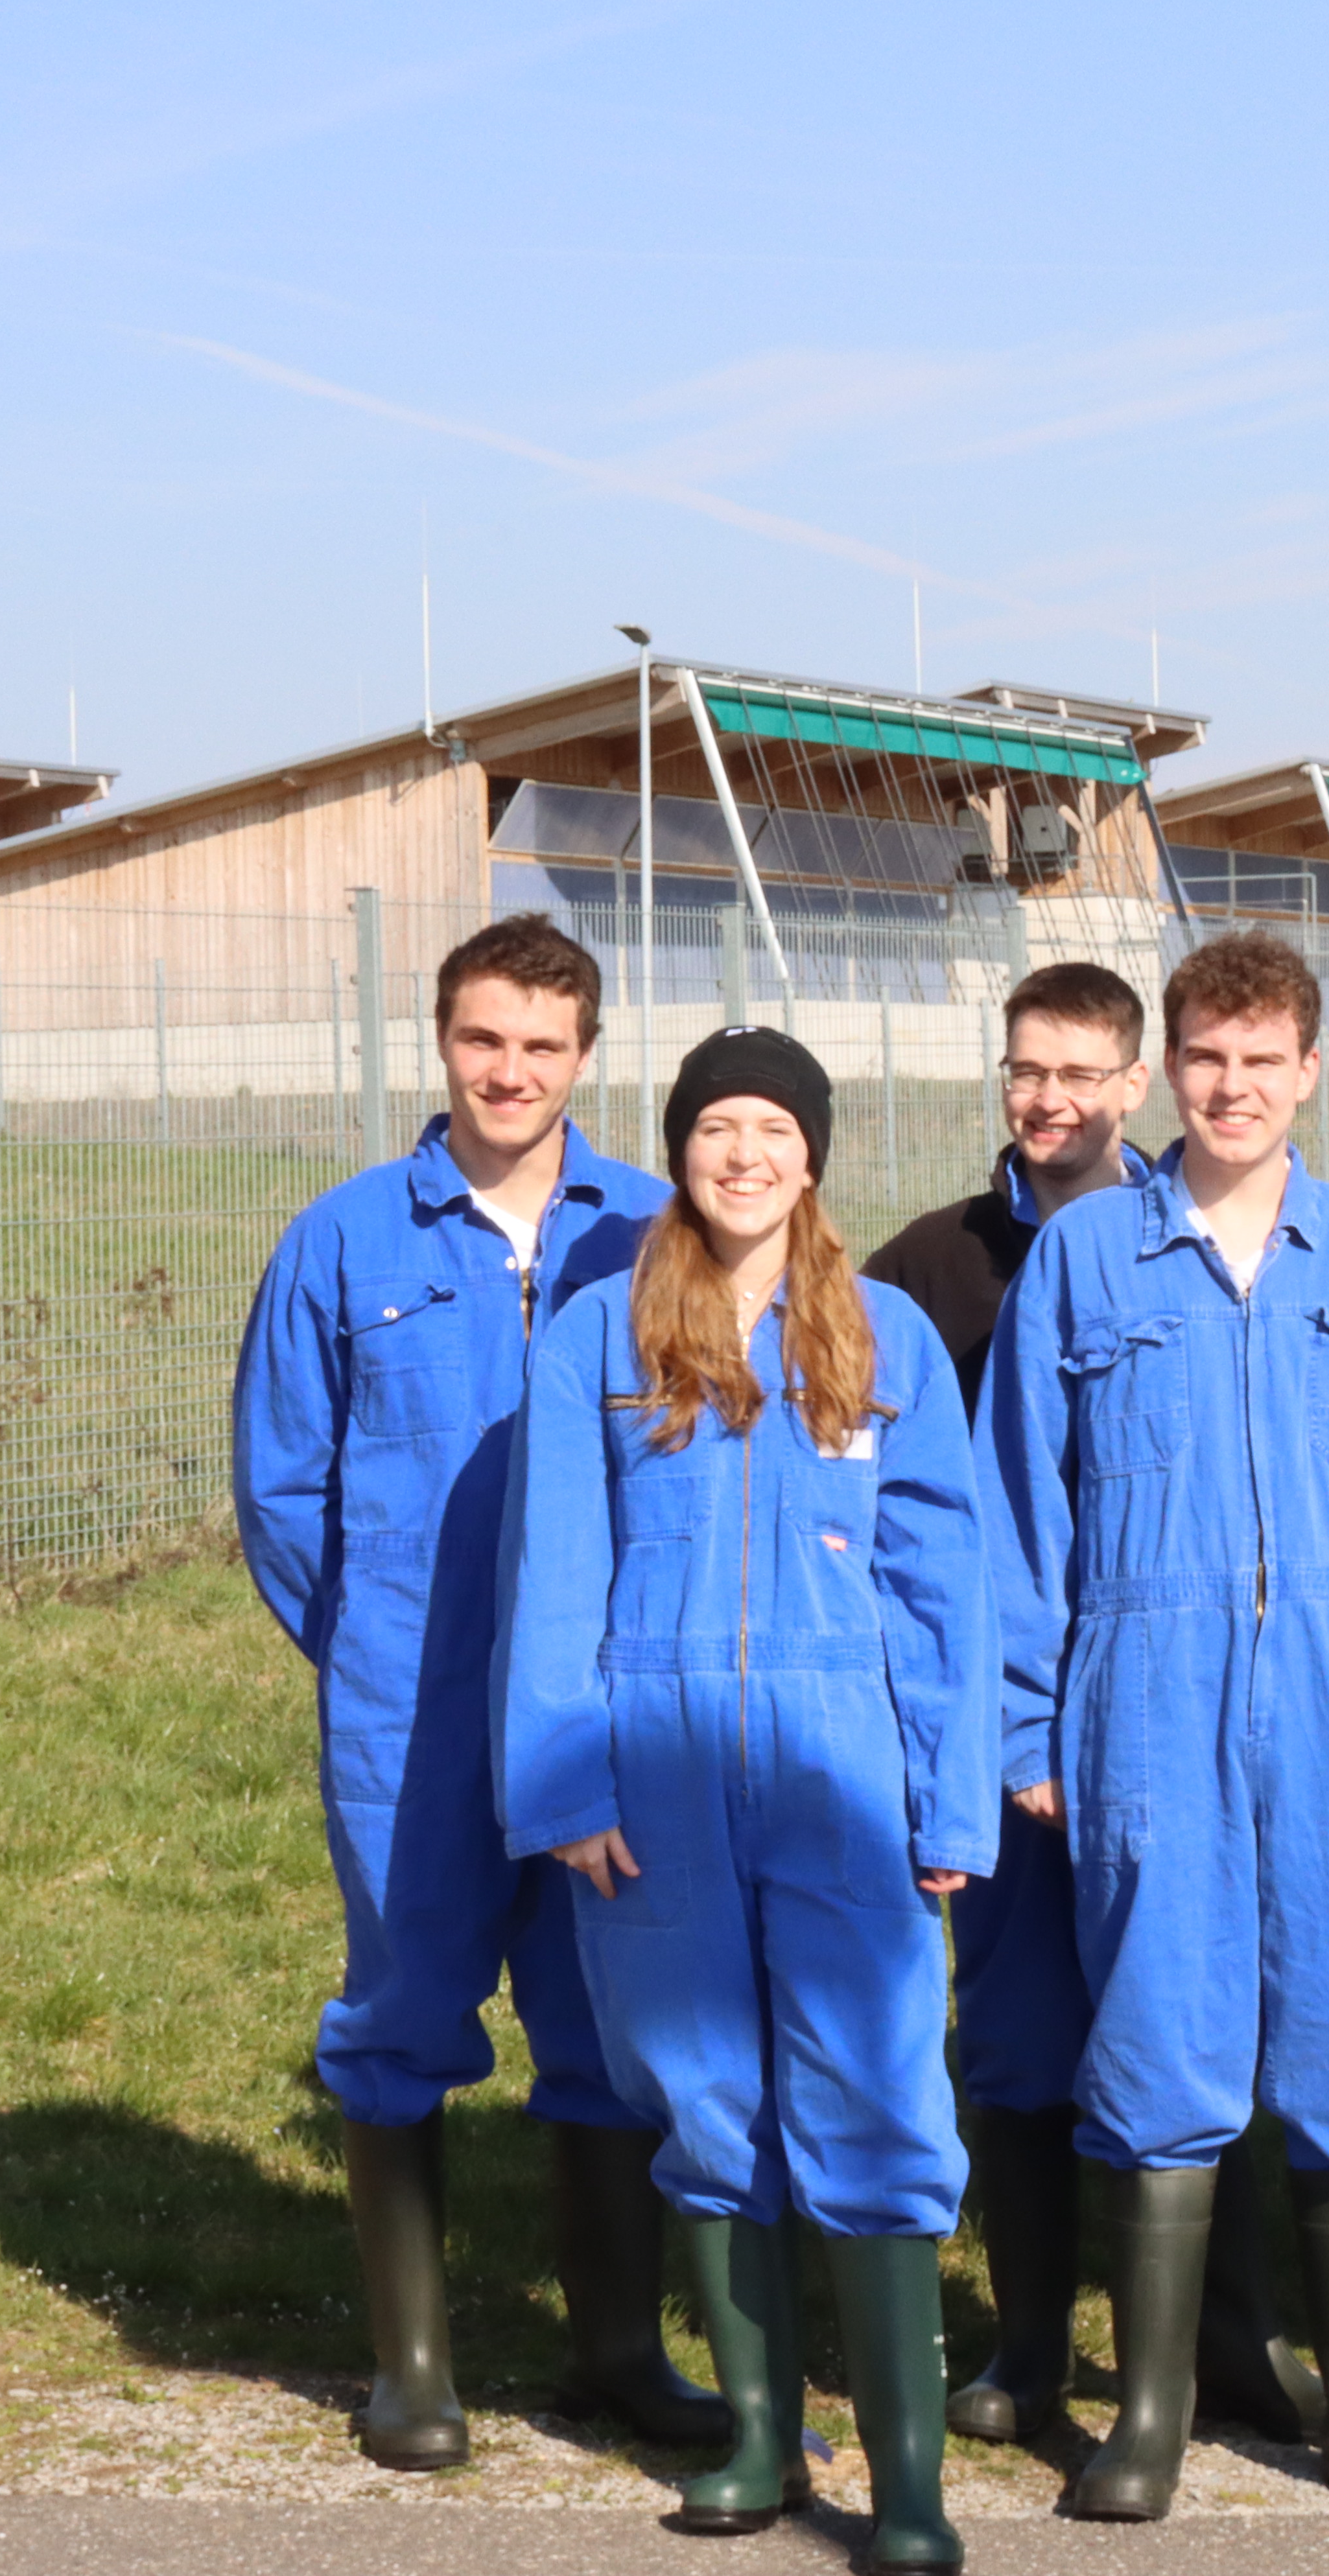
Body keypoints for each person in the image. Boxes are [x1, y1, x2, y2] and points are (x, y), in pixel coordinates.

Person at [978, 931, 1329, 2522]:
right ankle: (1146, 2418)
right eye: (1206, 1055)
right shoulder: (1084, 1260)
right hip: (1146, 1701)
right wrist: (1027, 1725)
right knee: (1157, 2032)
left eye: (1262, 1059)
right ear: (1168, 1069)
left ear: (1310, 1073)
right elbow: (1022, 1514)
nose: (1233, 1086)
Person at [229, 915, 724, 2472]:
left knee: (608, 2015)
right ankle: (415, 2369)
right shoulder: (345, 1240)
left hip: (602, 1709)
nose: (509, 1072)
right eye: (481, 1040)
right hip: (414, 1711)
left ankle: (619, 2352)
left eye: (542, 1046)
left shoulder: (657, 1235)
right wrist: (391, 1645)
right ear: (441, 1043)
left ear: (588, 1058)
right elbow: (280, 1487)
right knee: (402, 2006)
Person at [500, 1030, 993, 2555]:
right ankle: (760, 2443)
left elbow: (944, 1581)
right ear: (681, 1148)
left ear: (813, 1154)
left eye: (773, 1126)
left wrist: (950, 1798)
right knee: (705, 2092)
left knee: (875, 2086)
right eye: (716, 1125)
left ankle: (905, 2487)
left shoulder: (886, 1332)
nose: (743, 1153)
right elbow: (557, 1568)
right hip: (652, 1758)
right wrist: (565, 1780)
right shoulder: (598, 1332)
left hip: (843, 1755)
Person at [861, 966, 1315, 2455]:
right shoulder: (934, 1264)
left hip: (1177, 1714)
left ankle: (1225, 2340)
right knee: (1025, 2030)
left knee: (1205, 2010)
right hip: (1006, 1723)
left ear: (1136, 1082)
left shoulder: (1203, 1245)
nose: (1049, 1098)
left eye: (1080, 1072)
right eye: (1024, 1071)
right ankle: (1035, 2337)